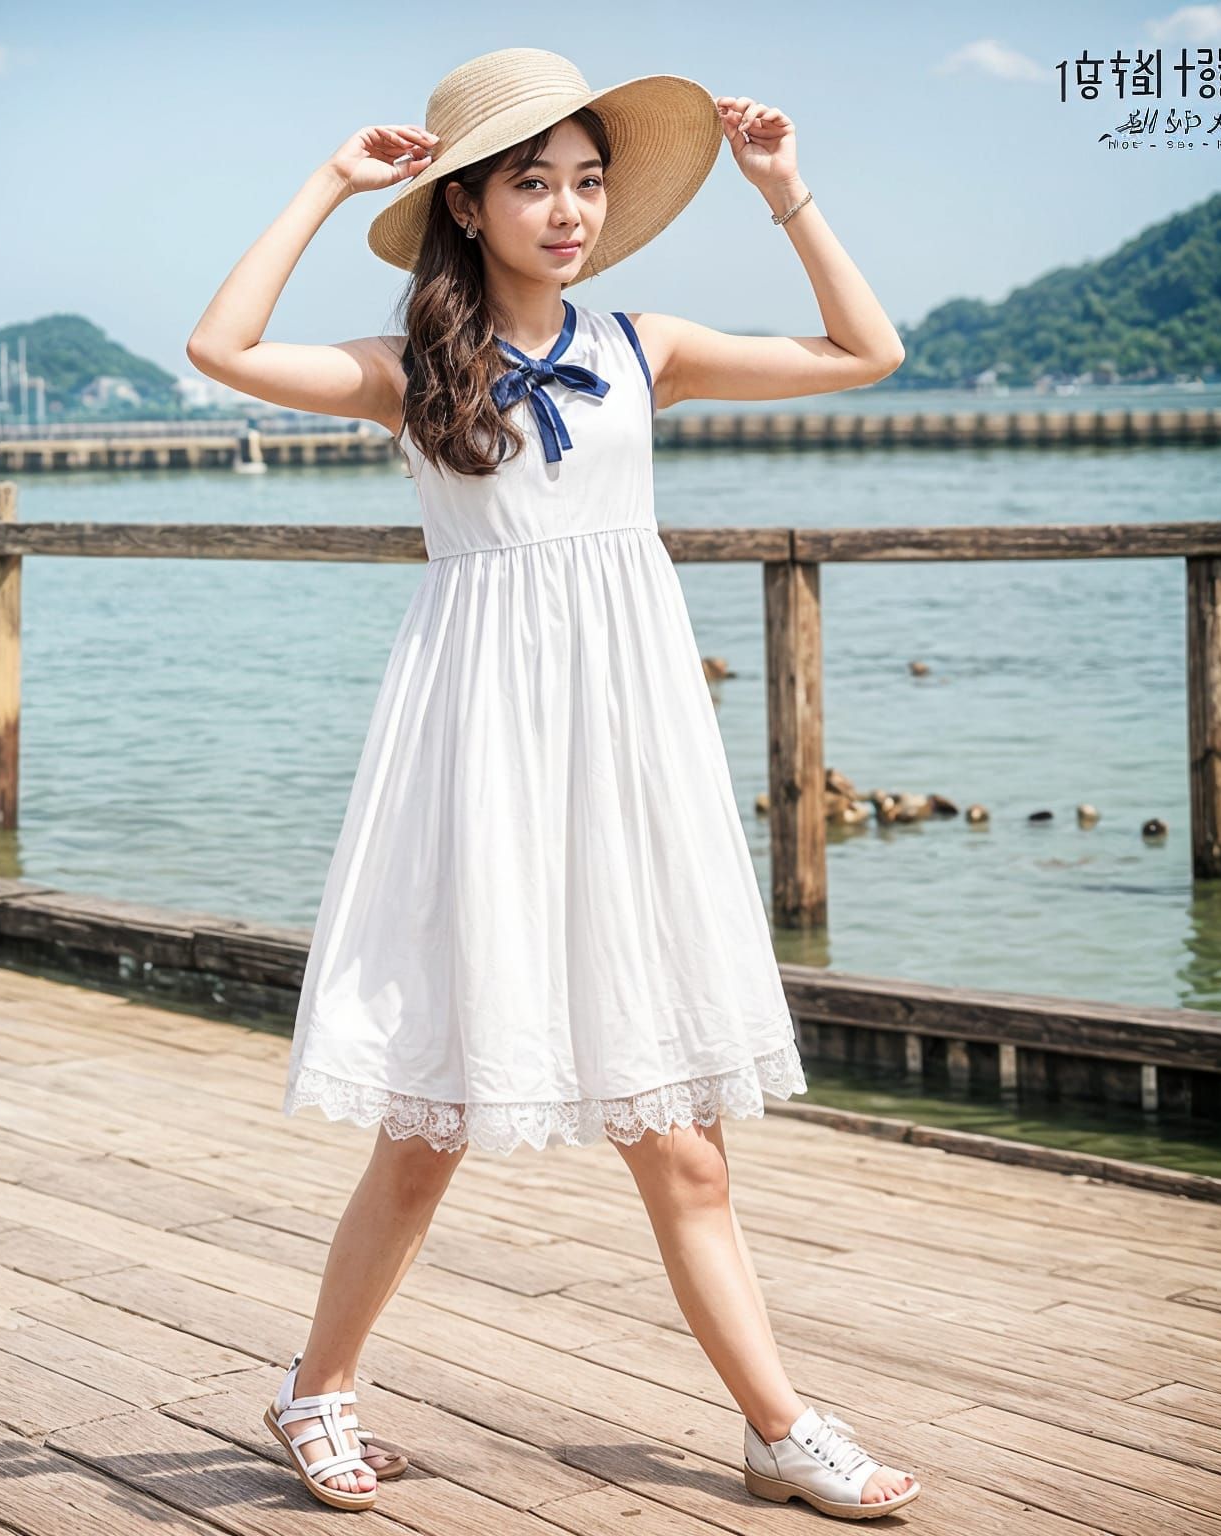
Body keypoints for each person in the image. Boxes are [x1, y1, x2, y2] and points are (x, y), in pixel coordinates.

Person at [187, 46, 916, 1521]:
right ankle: (313, 1389)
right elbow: (221, 346)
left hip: (630, 761)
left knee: (684, 1143)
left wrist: (790, 197)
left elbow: (867, 351)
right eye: (533, 183)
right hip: (484, 764)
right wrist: (331, 184)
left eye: (587, 181)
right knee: (426, 1128)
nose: (569, 209)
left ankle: (780, 1430)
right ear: (466, 205)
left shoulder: (648, 346)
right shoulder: (408, 378)